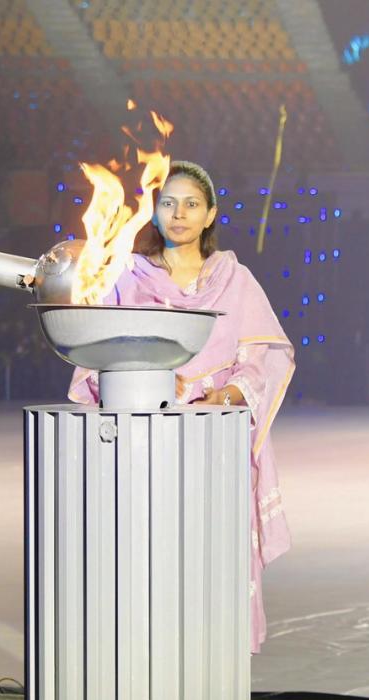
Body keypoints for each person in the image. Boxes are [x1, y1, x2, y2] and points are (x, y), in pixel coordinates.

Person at [68, 160, 295, 653]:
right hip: (143, 447)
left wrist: (228, 395)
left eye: (192, 204)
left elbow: (261, 360)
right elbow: (94, 354)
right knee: (147, 560)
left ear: (210, 214)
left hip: (212, 447)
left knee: (210, 561)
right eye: (168, 203)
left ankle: (211, 668)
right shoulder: (127, 276)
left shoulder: (235, 281)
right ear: (153, 210)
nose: (179, 214)